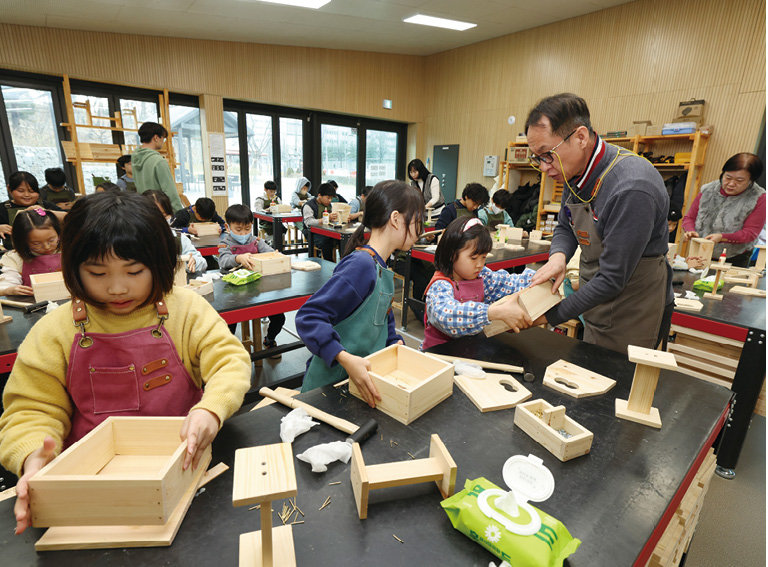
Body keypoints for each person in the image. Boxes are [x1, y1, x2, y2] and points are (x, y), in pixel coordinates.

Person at [0, 192, 251, 534]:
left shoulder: (184, 310)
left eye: (134, 271)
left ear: (160, 263)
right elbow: (30, 408)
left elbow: (229, 362)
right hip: (92, 489)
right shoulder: (56, 330)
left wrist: (211, 409)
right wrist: (34, 457)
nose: (117, 288)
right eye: (97, 273)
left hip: (187, 468)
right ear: (73, 268)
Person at [526, 93, 672, 353]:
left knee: (620, 383)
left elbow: (613, 278)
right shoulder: (574, 170)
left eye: (546, 154)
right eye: (537, 158)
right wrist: (557, 258)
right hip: (597, 297)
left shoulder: (632, 188)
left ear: (580, 137)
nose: (544, 167)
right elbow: (564, 224)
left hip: (633, 307)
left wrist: (547, 317)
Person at [295, 180, 423, 404]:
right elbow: (309, 317)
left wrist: (394, 343)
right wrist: (344, 358)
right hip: (329, 389)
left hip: (357, 386)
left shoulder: (382, 266)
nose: (421, 231)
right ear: (395, 219)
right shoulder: (361, 265)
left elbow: (383, 320)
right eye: (417, 221)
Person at [422, 217, 534, 350]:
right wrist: (491, 312)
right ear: (452, 254)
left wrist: (536, 277)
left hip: (468, 351)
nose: (480, 264)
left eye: (484, 257)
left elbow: (507, 283)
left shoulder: (481, 276)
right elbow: (447, 315)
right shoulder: (440, 285)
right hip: (438, 355)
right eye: (473, 258)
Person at [217, 204, 286, 354]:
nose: (243, 233)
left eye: (247, 229)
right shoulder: (225, 243)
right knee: (228, 323)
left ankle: (269, 339)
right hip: (233, 293)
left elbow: (269, 253)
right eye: (238, 230)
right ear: (228, 228)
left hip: (259, 289)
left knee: (279, 317)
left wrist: (274, 255)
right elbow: (223, 261)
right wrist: (238, 258)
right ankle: (229, 351)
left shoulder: (256, 241)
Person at [682, 153, 765, 267]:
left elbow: (750, 233)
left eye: (739, 180)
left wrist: (722, 237)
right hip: (701, 252)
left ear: (751, 180)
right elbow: (689, 218)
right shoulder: (709, 190)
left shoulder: (759, 197)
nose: (731, 184)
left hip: (734, 257)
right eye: (728, 177)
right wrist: (690, 230)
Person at [0, 208, 62, 296]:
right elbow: (7, 282)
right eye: (36, 244)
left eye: (51, 240)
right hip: (34, 305)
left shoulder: (68, 250)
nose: (47, 247)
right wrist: (9, 290)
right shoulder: (16, 258)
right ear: (23, 241)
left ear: (58, 234)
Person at [143, 190, 207, 274]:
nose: (159, 220)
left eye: (164, 216)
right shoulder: (134, 240)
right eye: (153, 216)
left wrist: (193, 261)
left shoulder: (178, 238)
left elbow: (202, 263)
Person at [0, 171, 64, 249]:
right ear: (9, 189)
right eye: (21, 191)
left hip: (48, 251)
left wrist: (47, 212)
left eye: (32, 191)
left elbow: (71, 217)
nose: (27, 195)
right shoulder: (2, 209)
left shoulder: (46, 205)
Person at [131, 122, 183, 213]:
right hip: (161, 212)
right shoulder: (158, 161)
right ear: (156, 138)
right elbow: (170, 192)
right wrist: (180, 214)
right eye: (163, 138)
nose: (163, 141)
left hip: (145, 210)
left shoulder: (135, 159)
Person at [302, 183, 339, 260]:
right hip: (312, 233)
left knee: (342, 240)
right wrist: (326, 219)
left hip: (327, 231)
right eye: (328, 198)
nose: (330, 200)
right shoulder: (308, 206)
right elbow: (308, 222)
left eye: (331, 198)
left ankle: (344, 262)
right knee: (327, 242)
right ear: (319, 195)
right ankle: (329, 265)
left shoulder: (328, 205)